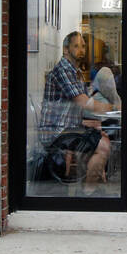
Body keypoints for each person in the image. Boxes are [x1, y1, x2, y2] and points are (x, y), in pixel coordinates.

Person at [41, 31, 112, 190]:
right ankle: (89, 192)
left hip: (67, 127)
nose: (81, 50)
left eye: (83, 46)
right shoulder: (63, 70)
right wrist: (111, 108)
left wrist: (91, 122)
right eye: (76, 46)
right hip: (56, 132)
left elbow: (81, 105)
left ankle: (88, 186)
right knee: (103, 147)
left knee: (103, 136)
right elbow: (83, 102)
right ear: (66, 50)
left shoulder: (75, 72)